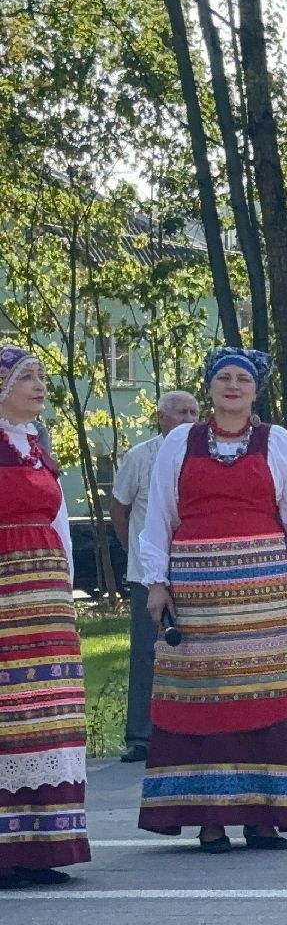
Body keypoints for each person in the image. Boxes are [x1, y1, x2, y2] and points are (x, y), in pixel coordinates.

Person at [138, 347, 287, 852]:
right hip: (197, 593)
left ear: (256, 390)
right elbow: (159, 517)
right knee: (202, 702)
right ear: (209, 388)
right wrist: (157, 580)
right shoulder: (181, 442)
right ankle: (209, 817)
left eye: (242, 379)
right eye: (223, 378)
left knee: (264, 699)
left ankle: (265, 815)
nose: (232, 386)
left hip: (262, 590)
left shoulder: (277, 443)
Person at [0, 346, 88, 886]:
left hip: (47, 598)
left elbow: (58, 525)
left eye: (42, 377)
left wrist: (66, 589)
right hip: (6, 590)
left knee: (47, 712)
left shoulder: (37, 448)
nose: (39, 386)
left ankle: (42, 845)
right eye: (27, 377)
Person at [109, 389, 200, 764]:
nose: (190, 418)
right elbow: (120, 508)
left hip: (195, 570)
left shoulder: (204, 455)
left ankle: (191, 732)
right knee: (149, 652)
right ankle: (141, 736)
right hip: (148, 574)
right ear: (162, 417)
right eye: (181, 412)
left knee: (195, 652)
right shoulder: (140, 456)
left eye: (195, 411)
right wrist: (138, 556)